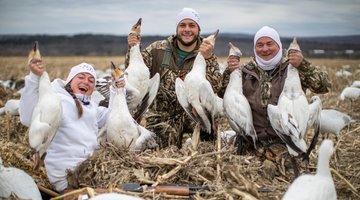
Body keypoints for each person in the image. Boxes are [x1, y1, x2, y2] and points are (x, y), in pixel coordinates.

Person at [219, 26, 331, 154]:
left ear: (278, 45)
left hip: (286, 144)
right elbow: (223, 94)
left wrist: (303, 65)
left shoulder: (292, 69)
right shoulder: (246, 72)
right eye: (259, 45)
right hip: (251, 143)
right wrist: (230, 72)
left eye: (269, 44)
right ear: (255, 48)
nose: (265, 49)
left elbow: (324, 86)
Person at [19, 59, 125, 193]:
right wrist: (34, 77)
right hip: (65, 177)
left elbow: (114, 118)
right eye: (81, 77)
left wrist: (117, 90)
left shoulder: (92, 108)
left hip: (88, 172)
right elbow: (27, 117)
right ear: (70, 81)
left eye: (91, 80)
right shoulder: (56, 102)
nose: (86, 82)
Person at [126, 7, 222, 148]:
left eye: (192, 25)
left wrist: (208, 59)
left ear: (199, 29)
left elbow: (215, 88)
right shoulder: (157, 49)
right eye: (182, 25)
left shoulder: (206, 53)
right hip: (163, 118)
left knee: (205, 151)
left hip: (195, 116)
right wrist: (133, 48)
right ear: (177, 28)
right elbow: (135, 75)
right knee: (159, 154)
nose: (187, 29)